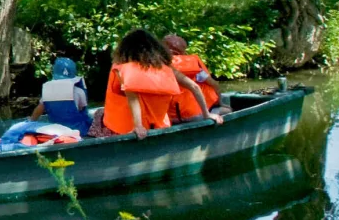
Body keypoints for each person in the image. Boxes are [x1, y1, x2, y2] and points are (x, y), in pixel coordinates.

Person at [91, 29, 221, 139]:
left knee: (99, 114)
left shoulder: (121, 69)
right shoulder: (167, 69)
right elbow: (194, 87)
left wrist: (138, 127)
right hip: (160, 127)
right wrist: (207, 114)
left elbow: (133, 97)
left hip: (128, 130)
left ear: (125, 50)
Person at [163, 33, 221, 121]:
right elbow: (214, 84)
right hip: (192, 115)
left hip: (167, 118)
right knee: (227, 109)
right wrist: (219, 102)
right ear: (183, 51)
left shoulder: (157, 64)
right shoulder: (193, 66)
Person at [31, 56, 91, 132]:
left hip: (56, 130)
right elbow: (82, 110)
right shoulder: (79, 91)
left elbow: (39, 110)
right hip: (78, 130)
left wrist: (31, 121)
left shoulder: (48, 91)